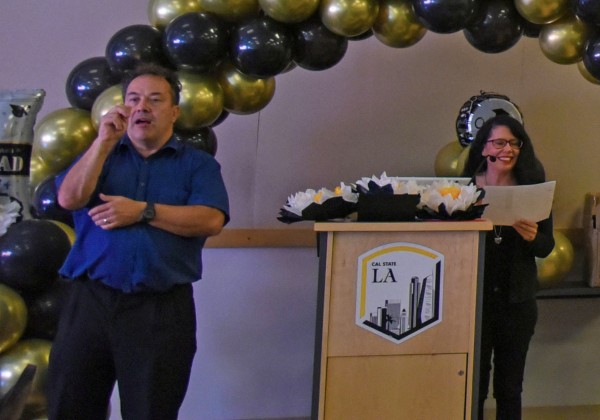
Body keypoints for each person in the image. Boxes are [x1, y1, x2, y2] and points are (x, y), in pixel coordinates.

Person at [47, 63, 230, 420]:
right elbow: (69, 199)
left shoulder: (197, 165)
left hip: (161, 310)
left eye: (155, 99)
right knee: (70, 406)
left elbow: (211, 219)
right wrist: (102, 143)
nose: (142, 106)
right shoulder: (99, 155)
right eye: (133, 99)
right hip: (90, 303)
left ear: (174, 112)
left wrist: (142, 211)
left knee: (151, 411)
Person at [462, 114, 554, 420]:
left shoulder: (533, 189)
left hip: (517, 302)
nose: (508, 149)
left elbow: (547, 245)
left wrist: (531, 237)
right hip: (473, 302)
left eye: (514, 143)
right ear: (485, 148)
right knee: (473, 386)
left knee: (509, 388)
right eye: (499, 142)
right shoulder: (464, 190)